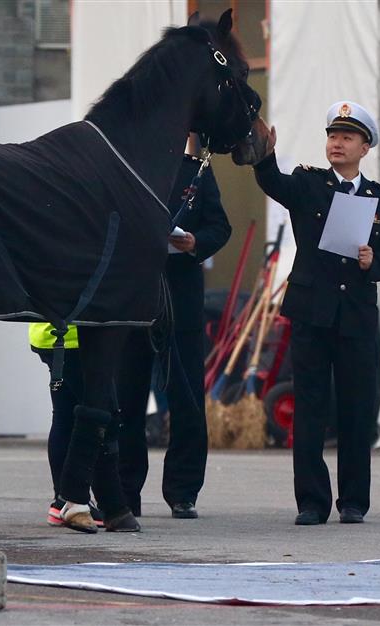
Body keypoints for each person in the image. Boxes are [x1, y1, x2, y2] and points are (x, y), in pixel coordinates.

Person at [250, 102, 380, 525]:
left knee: (356, 408)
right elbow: (274, 184)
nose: (336, 143)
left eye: (347, 137)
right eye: (332, 136)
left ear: (365, 147)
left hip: (355, 316)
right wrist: (264, 157)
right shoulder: (308, 184)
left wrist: (376, 261)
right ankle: (312, 502)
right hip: (311, 312)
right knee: (311, 407)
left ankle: (353, 501)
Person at [118, 133, 232, 519]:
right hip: (137, 293)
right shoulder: (133, 165)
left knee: (185, 397)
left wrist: (196, 242)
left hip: (181, 294)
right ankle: (125, 490)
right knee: (128, 396)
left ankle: (183, 490)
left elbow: (221, 226)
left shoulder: (196, 172)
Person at [28, 322, 104, 529]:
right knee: (90, 418)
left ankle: (62, 499)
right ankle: (70, 499)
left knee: (64, 416)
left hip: (48, 334)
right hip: (76, 336)